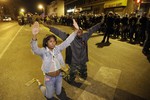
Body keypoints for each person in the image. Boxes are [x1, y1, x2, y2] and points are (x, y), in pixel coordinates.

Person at [44, 17, 104, 83]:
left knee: (84, 75)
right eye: (78, 31)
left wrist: (100, 23)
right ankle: (67, 76)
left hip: (83, 60)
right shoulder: (70, 38)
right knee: (71, 79)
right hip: (73, 62)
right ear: (75, 32)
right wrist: (49, 27)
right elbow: (59, 32)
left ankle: (81, 72)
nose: (80, 33)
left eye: (81, 31)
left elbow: (92, 29)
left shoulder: (85, 36)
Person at [31, 20, 79, 100]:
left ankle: (57, 88)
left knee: (58, 93)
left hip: (59, 76)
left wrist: (76, 31)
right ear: (46, 43)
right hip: (49, 78)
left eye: (54, 41)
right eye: (50, 41)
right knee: (49, 96)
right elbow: (35, 49)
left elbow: (67, 41)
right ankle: (41, 86)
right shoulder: (43, 51)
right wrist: (34, 35)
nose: (53, 43)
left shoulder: (57, 48)